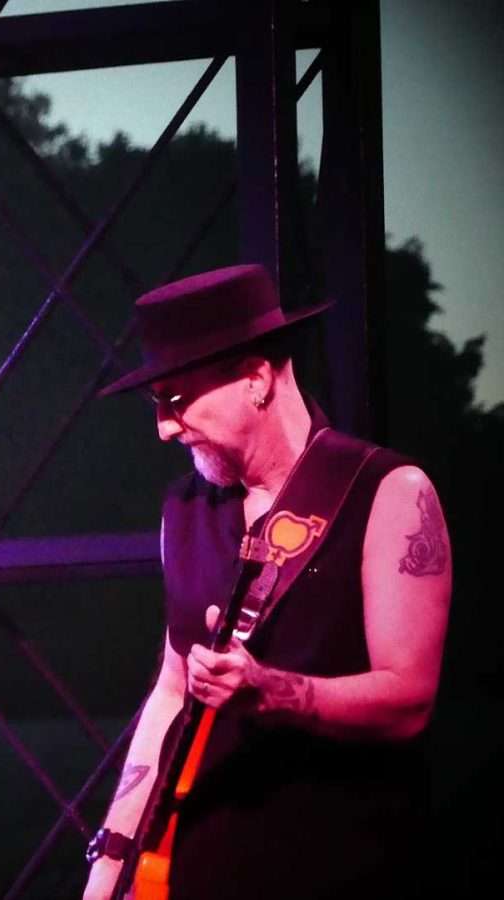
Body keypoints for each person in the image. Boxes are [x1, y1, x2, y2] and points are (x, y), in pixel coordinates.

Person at [81, 265, 451, 900]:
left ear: (255, 380)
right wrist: (111, 859)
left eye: (177, 400)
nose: (163, 428)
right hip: (199, 870)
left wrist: (270, 692)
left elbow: (409, 699)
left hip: (342, 868)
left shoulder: (390, 492)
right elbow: (172, 688)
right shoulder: (184, 510)